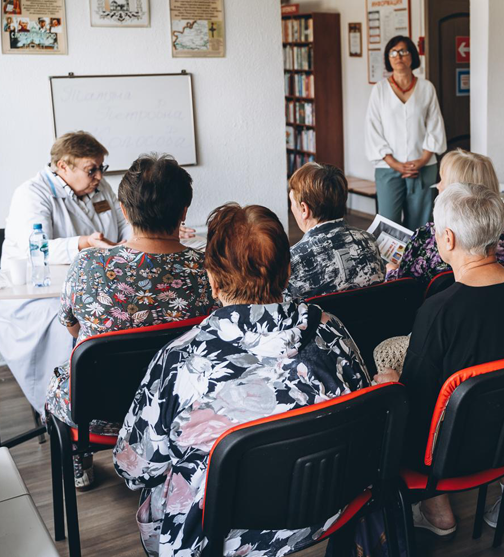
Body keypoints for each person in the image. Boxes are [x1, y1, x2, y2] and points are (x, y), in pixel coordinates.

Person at [113, 203, 369, 557]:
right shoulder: (331, 329)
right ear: (288, 270)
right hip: (329, 505)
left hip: (222, 531)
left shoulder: (181, 361)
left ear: (213, 280)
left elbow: (135, 468)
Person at [372, 184, 504, 535]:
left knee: (384, 390)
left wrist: (390, 384)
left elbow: (419, 401)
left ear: (448, 239)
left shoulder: (438, 311)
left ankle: (435, 508)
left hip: (452, 452)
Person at [45, 154, 216, 489]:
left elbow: (72, 325)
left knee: (72, 364)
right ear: (184, 211)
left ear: (124, 210)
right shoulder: (209, 268)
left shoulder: (88, 265)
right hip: (182, 404)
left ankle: (81, 459)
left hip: (97, 410)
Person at [0, 132, 133, 414]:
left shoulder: (99, 188)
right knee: (65, 323)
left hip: (91, 285)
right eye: (91, 169)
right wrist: (84, 243)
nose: (99, 175)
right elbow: (36, 249)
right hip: (35, 295)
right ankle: (67, 411)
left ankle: (115, 402)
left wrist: (141, 237)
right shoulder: (32, 194)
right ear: (63, 166)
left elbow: (126, 224)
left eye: (101, 168)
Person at [386, 148, 504, 284]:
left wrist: (391, 271)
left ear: (460, 189)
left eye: (443, 179)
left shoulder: (432, 237)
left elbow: (405, 286)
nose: (438, 185)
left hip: (438, 303)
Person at [364, 34, 446, 230]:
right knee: (388, 222)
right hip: (388, 167)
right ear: (388, 59)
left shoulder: (426, 88)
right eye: (393, 53)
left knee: (421, 223)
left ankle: (417, 261)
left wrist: (423, 160)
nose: (398, 56)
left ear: (412, 56)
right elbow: (372, 129)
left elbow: (435, 125)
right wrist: (395, 164)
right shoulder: (380, 90)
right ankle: (391, 262)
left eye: (403, 51)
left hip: (424, 166)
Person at [285, 162, 384, 300]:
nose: (291, 209)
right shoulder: (369, 241)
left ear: (304, 209)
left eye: (292, 203)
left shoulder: (293, 260)